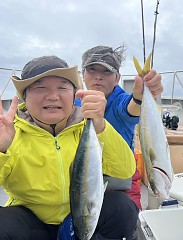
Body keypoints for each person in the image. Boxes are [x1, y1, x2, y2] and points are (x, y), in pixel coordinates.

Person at [0, 55, 138, 240]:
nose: (53, 96)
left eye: (62, 88)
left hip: (78, 218)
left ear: (74, 94)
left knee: (122, 208)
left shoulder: (88, 126)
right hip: (31, 223)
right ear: (24, 96)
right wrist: (1, 148)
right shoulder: (10, 132)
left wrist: (100, 126)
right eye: (40, 88)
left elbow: (125, 170)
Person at [75, 45, 163, 209]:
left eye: (106, 72)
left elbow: (131, 107)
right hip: (85, 176)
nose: (98, 77)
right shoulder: (75, 103)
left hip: (121, 181)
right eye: (92, 69)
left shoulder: (120, 100)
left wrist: (139, 96)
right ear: (83, 75)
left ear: (117, 78)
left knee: (126, 216)